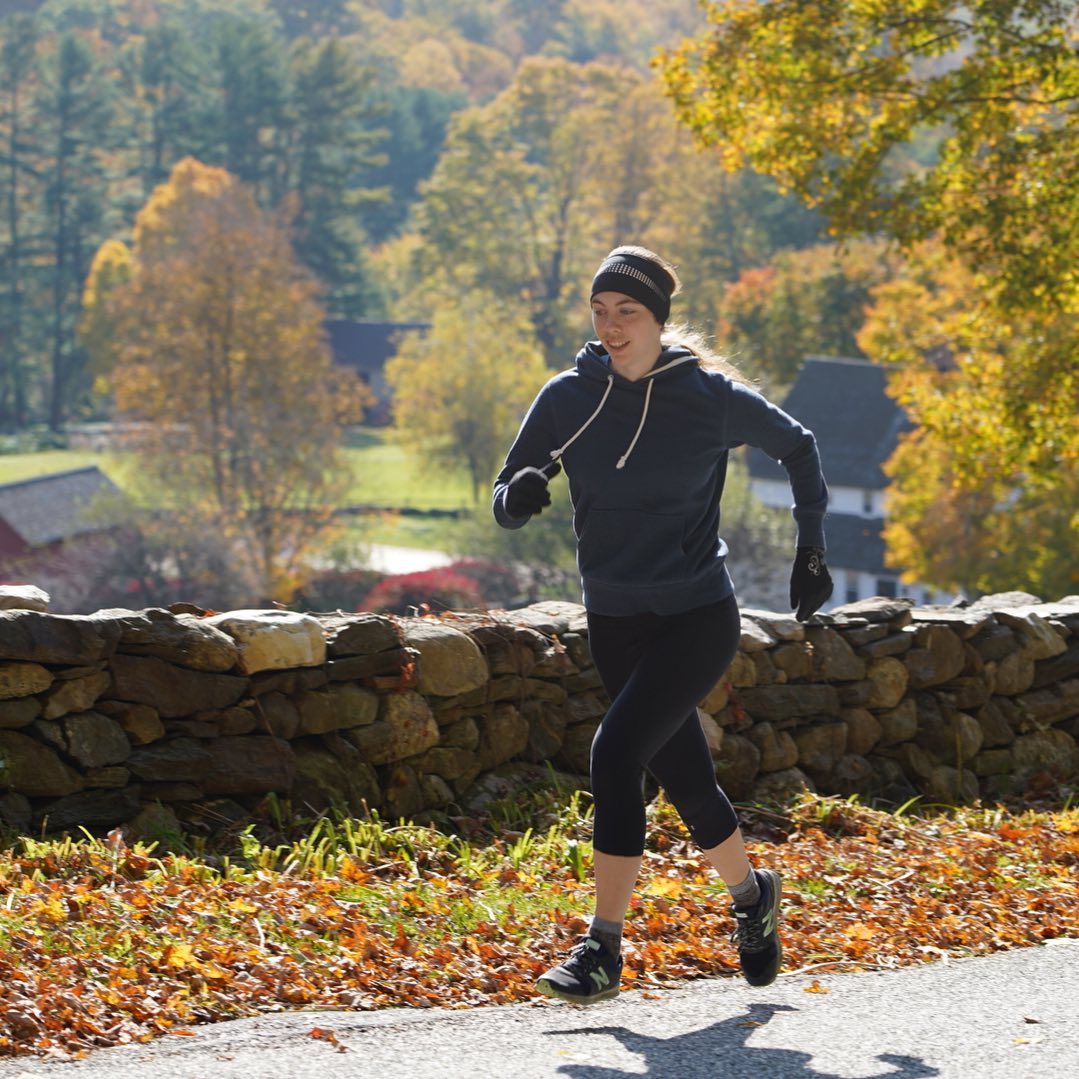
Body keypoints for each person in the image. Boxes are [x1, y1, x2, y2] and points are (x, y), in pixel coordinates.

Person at [492, 245, 833, 1005]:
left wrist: (810, 548)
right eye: (600, 311)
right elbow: (504, 493)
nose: (610, 327)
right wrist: (515, 497)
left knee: (614, 754)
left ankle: (600, 948)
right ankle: (753, 898)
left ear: (657, 321)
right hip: (614, 618)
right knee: (686, 778)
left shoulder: (707, 397)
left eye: (628, 313)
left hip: (694, 615)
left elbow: (799, 446)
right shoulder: (566, 397)